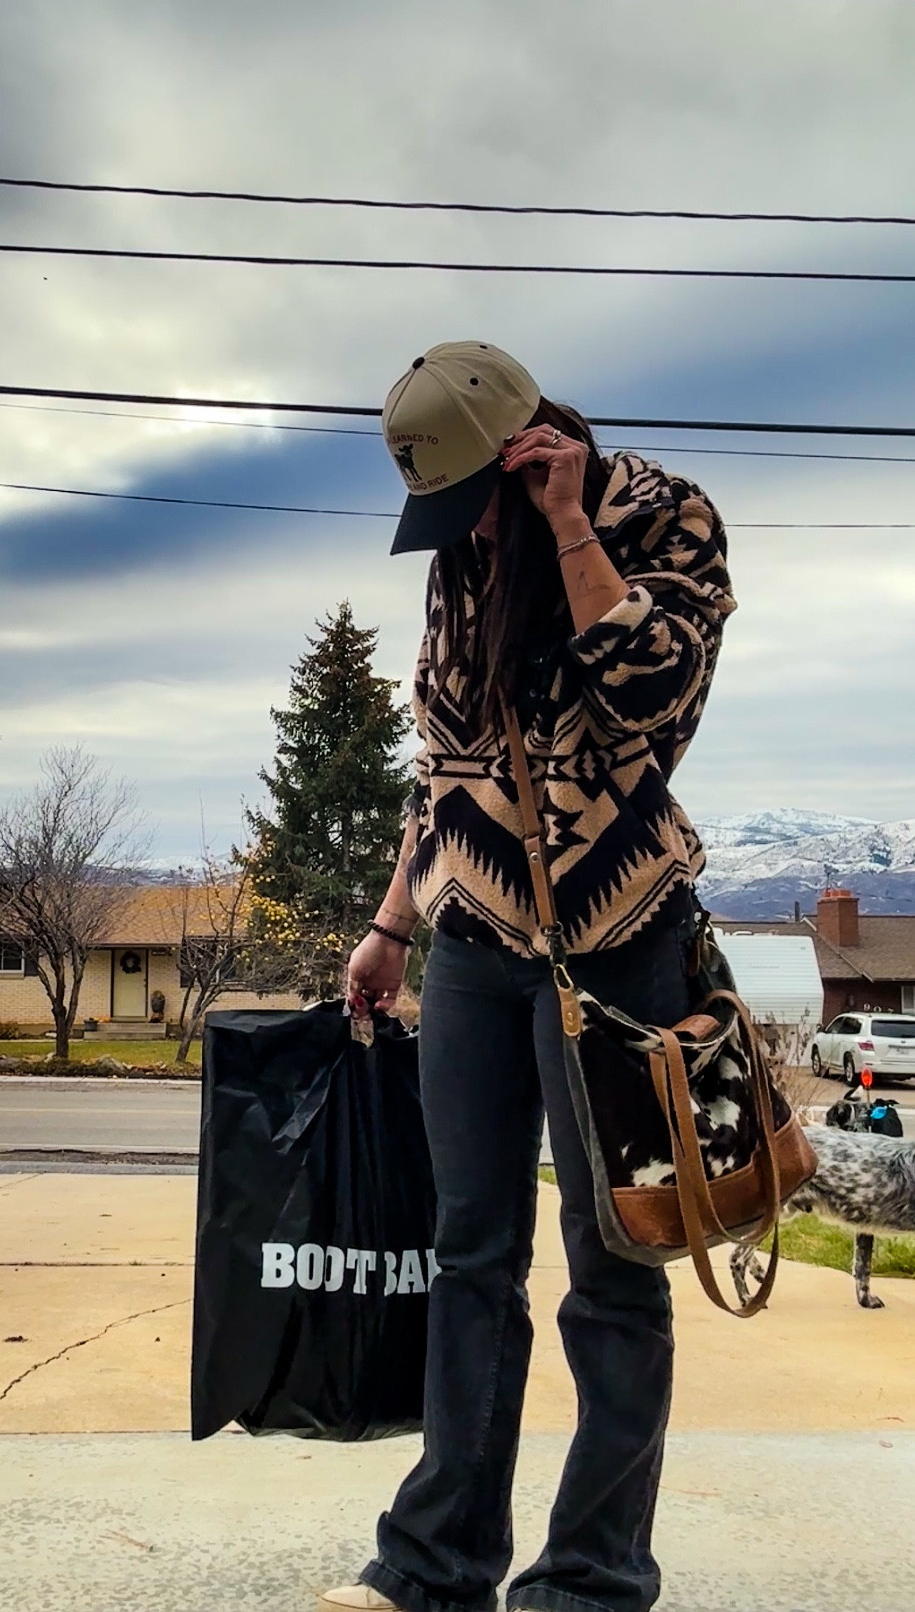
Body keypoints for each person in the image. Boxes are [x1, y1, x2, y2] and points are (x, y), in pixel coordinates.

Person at [321, 342, 735, 1612]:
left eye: (468, 501)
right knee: (470, 1255)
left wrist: (565, 526)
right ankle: (437, 1563)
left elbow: (654, 693)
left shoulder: (662, 514)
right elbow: (447, 765)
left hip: (621, 942)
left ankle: (594, 1577)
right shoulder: (463, 555)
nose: (455, 533)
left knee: (615, 1262)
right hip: (477, 950)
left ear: (527, 448)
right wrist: (393, 923)